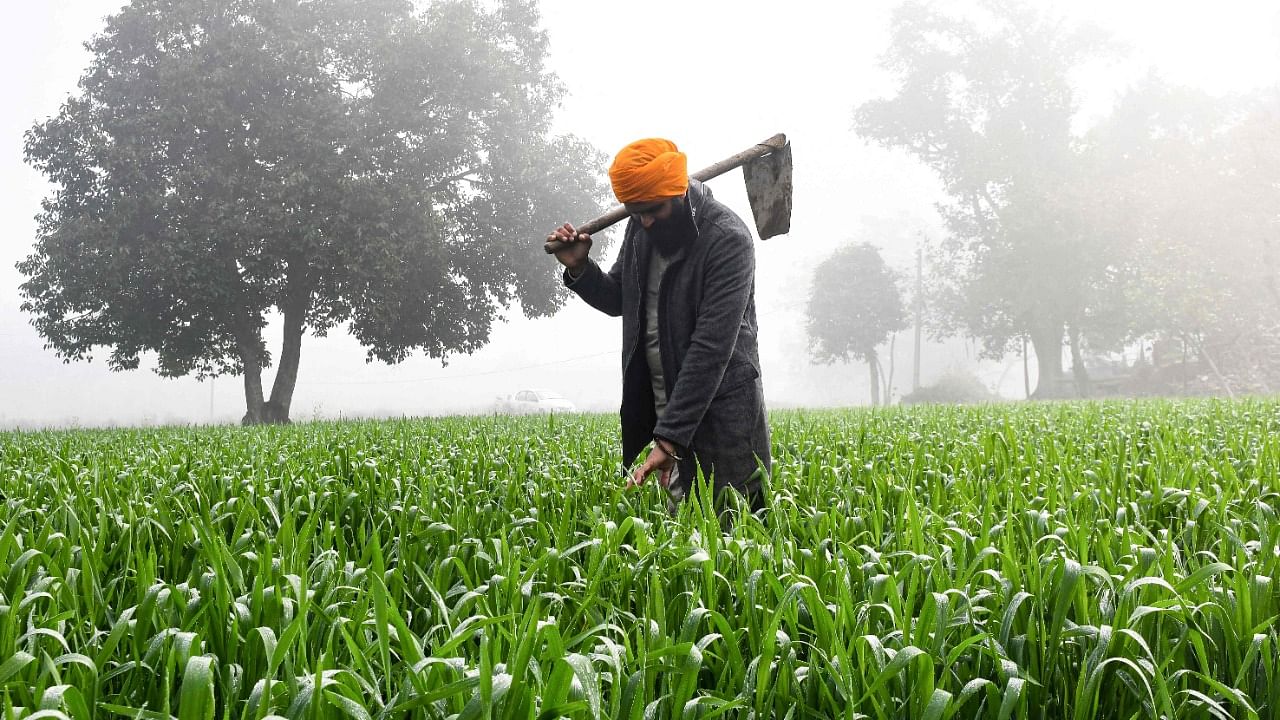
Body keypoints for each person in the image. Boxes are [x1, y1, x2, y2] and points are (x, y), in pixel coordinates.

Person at [547, 138, 770, 514]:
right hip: (664, 407)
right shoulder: (642, 228)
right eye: (636, 212)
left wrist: (669, 440)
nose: (646, 221)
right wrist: (579, 268)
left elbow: (711, 348)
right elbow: (620, 297)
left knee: (734, 529)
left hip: (721, 414)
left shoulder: (727, 240)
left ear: (679, 193)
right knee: (682, 537)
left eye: (653, 210)